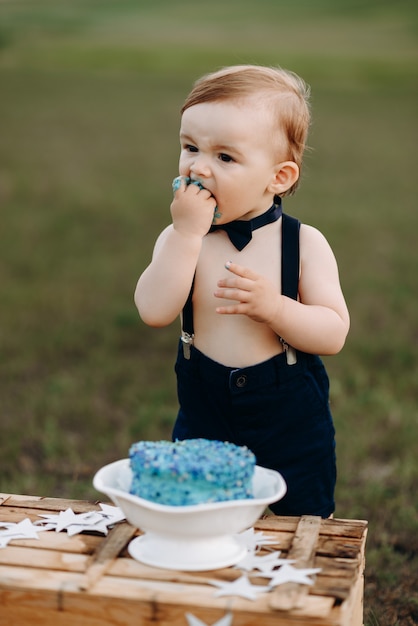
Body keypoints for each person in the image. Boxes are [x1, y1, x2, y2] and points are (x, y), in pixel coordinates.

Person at [134, 65, 350, 517]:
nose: (198, 167)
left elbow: (332, 334)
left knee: (303, 519)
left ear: (280, 177)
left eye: (225, 158)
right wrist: (186, 237)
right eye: (190, 147)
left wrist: (276, 308)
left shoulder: (303, 243)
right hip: (204, 410)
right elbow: (154, 310)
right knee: (197, 513)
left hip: (289, 414)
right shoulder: (180, 240)